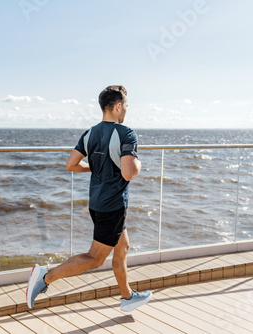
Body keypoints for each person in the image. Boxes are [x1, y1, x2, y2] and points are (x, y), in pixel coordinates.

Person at [26, 85, 152, 312]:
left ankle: (127, 296)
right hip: (113, 206)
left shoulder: (90, 133)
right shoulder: (126, 133)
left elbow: (71, 164)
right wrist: (139, 165)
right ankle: (45, 278)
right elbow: (128, 173)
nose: (126, 111)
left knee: (122, 246)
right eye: (126, 107)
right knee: (95, 258)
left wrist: (93, 168)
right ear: (118, 106)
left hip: (97, 203)